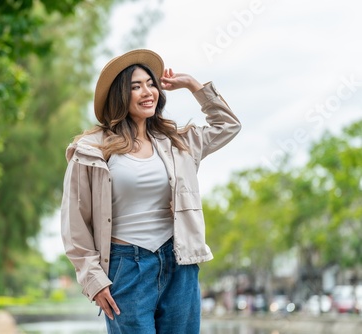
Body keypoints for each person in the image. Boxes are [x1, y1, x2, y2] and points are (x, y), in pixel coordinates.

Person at [60, 49, 241, 333]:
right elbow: (75, 223)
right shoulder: (90, 151)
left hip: (180, 264)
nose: (147, 92)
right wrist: (93, 281)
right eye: (136, 86)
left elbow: (228, 125)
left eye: (150, 84)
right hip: (126, 268)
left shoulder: (178, 142)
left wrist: (193, 85)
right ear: (120, 95)